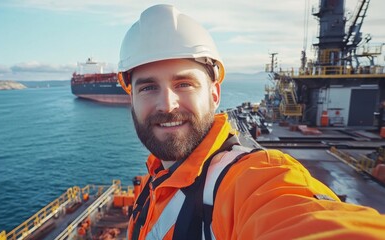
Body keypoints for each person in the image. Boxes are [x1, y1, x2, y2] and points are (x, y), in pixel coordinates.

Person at [117, 4, 385, 240]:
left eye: (184, 83)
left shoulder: (251, 179)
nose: (167, 104)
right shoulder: (154, 180)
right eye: (148, 88)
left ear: (214, 94)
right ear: (132, 100)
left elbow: (298, 217)